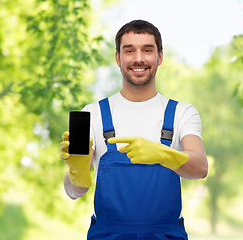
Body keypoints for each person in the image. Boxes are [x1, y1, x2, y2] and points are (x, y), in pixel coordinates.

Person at [60, 19, 208, 240]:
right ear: (118, 58)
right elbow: (74, 192)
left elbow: (200, 167)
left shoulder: (181, 113)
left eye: (147, 50)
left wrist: (162, 154)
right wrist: (77, 173)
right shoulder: (92, 114)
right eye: (129, 50)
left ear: (159, 57)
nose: (138, 58)